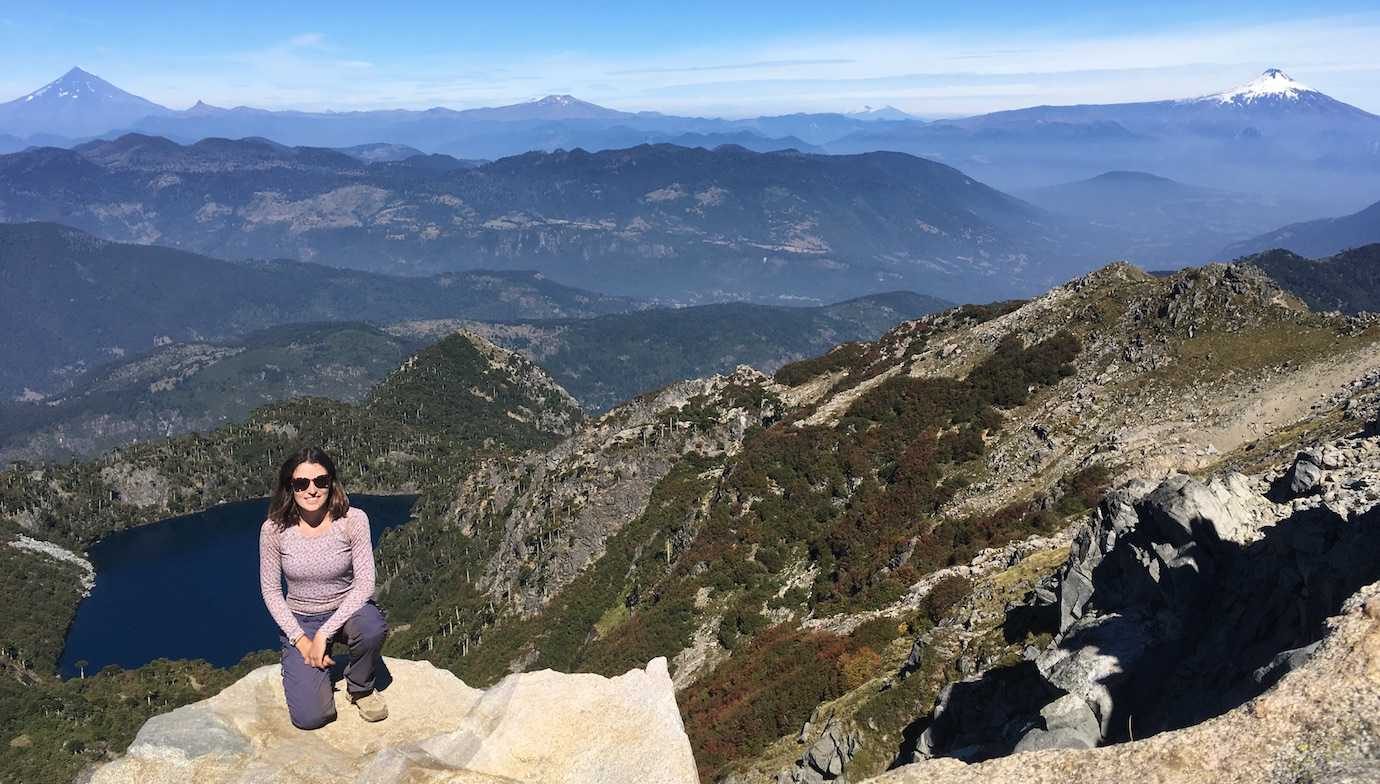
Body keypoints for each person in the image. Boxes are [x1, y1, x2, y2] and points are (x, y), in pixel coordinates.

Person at [258, 446, 390, 729]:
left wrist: (325, 632)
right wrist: (300, 639)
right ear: (289, 487)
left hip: (346, 611)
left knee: (372, 627)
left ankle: (361, 686)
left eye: (321, 481)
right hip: (301, 619)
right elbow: (270, 591)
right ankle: (304, 673)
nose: (312, 489)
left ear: (332, 483)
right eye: (301, 483)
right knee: (311, 718)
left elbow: (365, 583)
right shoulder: (273, 529)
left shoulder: (353, 520)